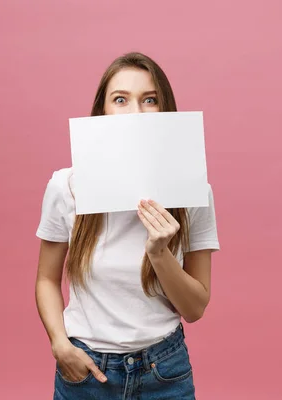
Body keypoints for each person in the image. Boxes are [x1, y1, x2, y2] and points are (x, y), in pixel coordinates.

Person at [35, 52, 220, 400]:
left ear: (164, 110)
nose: (135, 111)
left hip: (163, 372)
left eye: (149, 100)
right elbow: (46, 278)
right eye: (120, 99)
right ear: (102, 111)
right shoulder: (66, 186)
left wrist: (160, 253)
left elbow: (195, 309)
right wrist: (61, 346)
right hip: (86, 373)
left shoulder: (194, 192)